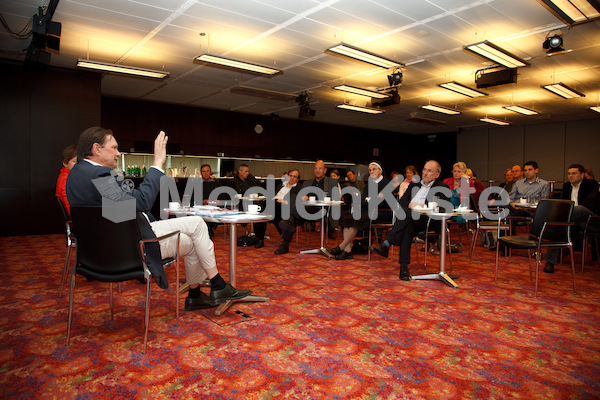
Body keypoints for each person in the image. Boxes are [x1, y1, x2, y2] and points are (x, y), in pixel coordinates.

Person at [66, 126, 251, 311]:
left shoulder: (76, 174)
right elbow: (141, 202)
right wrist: (157, 165)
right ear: (96, 149)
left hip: (99, 251)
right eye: (114, 148)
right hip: (131, 247)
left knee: (194, 235)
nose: (118, 153)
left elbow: (114, 209)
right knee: (197, 228)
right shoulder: (99, 174)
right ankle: (212, 288)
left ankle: (202, 293)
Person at [369, 160, 450, 281]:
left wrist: (422, 206)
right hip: (410, 219)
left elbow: (443, 208)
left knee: (407, 217)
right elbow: (402, 201)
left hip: (428, 221)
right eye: (424, 170)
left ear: (436, 175)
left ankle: (387, 244)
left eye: (429, 171)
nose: (425, 173)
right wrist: (411, 206)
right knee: (408, 224)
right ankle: (403, 267)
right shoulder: (415, 184)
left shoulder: (442, 187)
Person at [327, 162, 393, 260]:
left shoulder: (387, 184)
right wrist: (369, 200)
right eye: (370, 170)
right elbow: (363, 200)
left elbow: (380, 202)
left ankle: (341, 247)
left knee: (357, 219)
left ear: (380, 171)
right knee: (347, 220)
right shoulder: (369, 184)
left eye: (374, 169)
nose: (371, 172)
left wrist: (368, 200)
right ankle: (347, 250)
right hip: (368, 210)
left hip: (382, 212)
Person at [275, 160, 340, 255]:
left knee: (293, 216)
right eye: (316, 168)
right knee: (294, 198)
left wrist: (316, 198)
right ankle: (285, 243)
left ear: (325, 170)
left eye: (320, 168)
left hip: (321, 210)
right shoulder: (307, 183)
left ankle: (285, 238)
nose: (317, 170)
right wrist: (303, 198)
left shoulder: (331, 182)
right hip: (306, 209)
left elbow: (335, 198)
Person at [544, 164, 599, 273]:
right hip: (572, 220)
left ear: (582, 175)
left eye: (574, 173)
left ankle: (550, 227)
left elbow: (592, 205)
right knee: (558, 226)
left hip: (589, 218)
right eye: (569, 173)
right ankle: (550, 262)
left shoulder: (591, 184)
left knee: (578, 209)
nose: (570, 176)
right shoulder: (566, 186)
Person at [228, 164, 267, 248]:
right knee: (258, 211)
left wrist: (258, 196)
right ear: (240, 171)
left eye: (248, 171)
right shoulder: (233, 182)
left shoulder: (251, 179)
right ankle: (259, 237)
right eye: (245, 171)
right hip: (242, 203)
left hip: (255, 202)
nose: (247, 173)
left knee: (262, 210)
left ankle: (260, 237)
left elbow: (259, 189)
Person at [270, 169, 302, 238]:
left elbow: (297, 200)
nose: (292, 178)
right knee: (260, 210)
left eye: (295, 176)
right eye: (290, 176)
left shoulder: (298, 188)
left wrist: (285, 201)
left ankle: (283, 226)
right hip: (273, 204)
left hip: (284, 207)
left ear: (298, 179)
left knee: (262, 210)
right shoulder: (281, 185)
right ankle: (259, 238)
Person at [198, 164, 222, 238]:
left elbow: (222, 195)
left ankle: (209, 230)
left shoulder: (216, 183)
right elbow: (193, 197)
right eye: (203, 171)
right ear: (201, 173)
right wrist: (203, 201)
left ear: (210, 172)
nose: (206, 173)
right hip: (202, 206)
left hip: (214, 205)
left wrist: (219, 200)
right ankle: (208, 232)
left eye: (207, 171)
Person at [56, 145, 77, 218]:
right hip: (75, 219)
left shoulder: (68, 177)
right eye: (75, 162)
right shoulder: (66, 179)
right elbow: (68, 204)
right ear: (65, 163)